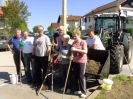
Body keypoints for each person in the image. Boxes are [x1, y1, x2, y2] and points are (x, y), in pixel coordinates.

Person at [71, 29, 87, 98]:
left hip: (82, 61)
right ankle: (78, 89)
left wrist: (76, 49)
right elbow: (72, 52)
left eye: (76, 36)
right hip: (75, 61)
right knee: (76, 76)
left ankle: (83, 92)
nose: (74, 38)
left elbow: (85, 51)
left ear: (79, 35)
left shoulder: (83, 42)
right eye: (73, 36)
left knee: (81, 76)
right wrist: (72, 53)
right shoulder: (74, 43)